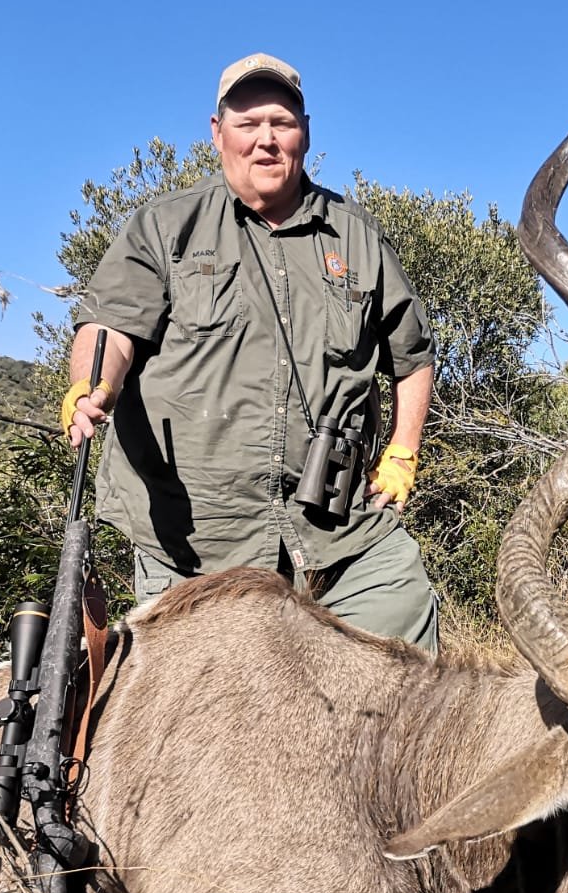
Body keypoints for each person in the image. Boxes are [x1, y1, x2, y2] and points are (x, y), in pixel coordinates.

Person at [60, 52, 438, 653]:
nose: (266, 140)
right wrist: (93, 386)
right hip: (197, 545)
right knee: (199, 728)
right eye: (247, 122)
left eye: (281, 122)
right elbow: (111, 331)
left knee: (407, 653)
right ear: (217, 134)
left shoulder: (357, 235)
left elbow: (412, 356)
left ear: (305, 133)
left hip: (337, 534)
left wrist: (402, 452)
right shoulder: (165, 227)